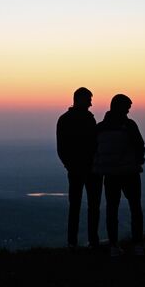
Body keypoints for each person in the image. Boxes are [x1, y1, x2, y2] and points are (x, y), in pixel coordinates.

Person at [93, 94, 145, 257]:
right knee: (135, 208)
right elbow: (140, 146)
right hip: (129, 173)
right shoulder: (129, 125)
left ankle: (113, 246)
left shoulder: (100, 127)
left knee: (112, 209)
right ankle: (137, 245)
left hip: (110, 175)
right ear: (122, 107)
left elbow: (94, 150)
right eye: (127, 107)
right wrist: (139, 160)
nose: (129, 110)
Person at [56, 87, 103, 249]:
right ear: (80, 99)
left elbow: (61, 148)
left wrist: (69, 165)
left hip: (83, 169)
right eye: (89, 99)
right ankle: (90, 241)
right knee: (90, 206)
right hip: (87, 169)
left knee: (78, 206)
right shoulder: (84, 120)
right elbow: (62, 148)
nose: (91, 103)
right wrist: (71, 165)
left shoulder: (66, 119)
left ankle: (74, 242)